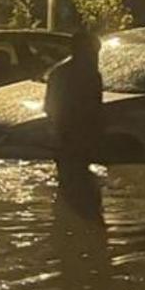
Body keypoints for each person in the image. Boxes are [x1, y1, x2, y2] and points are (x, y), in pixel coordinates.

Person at [44, 30, 103, 186]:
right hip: (73, 136)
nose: (95, 56)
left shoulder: (60, 73)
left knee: (71, 181)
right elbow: (95, 107)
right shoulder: (89, 75)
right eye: (93, 51)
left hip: (70, 136)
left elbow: (49, 106)